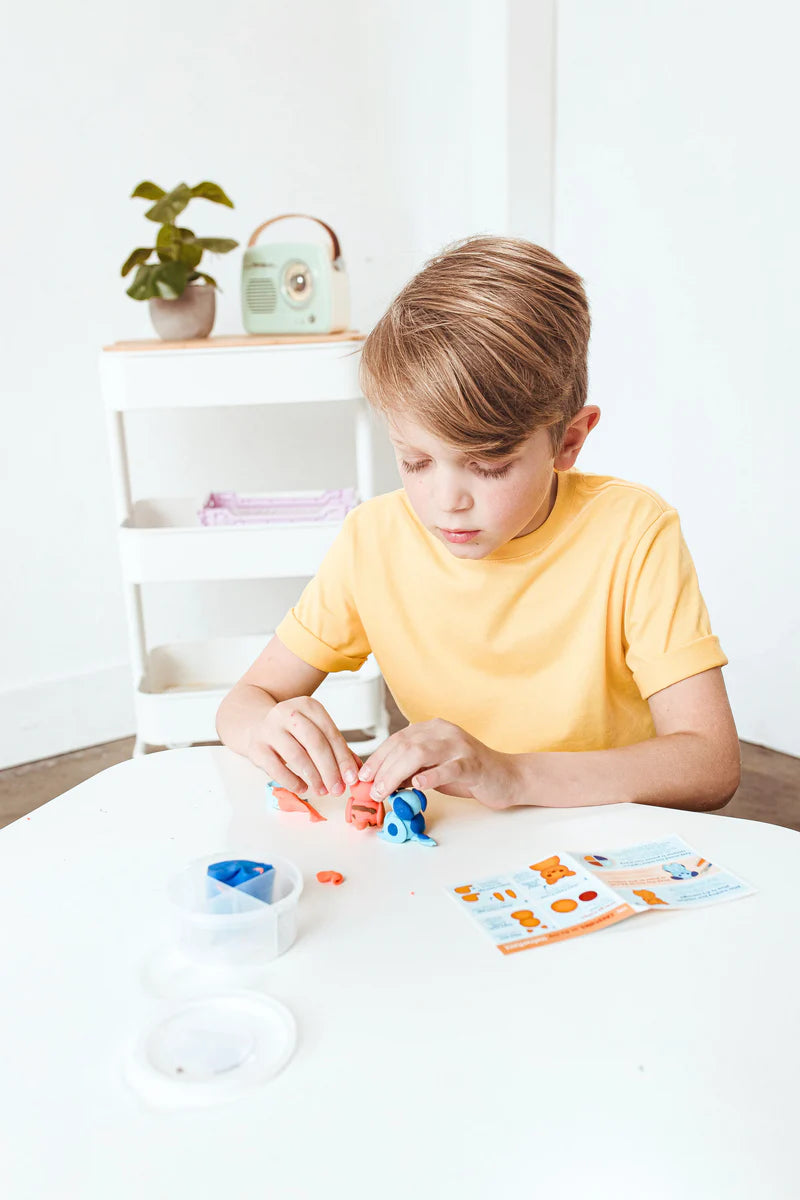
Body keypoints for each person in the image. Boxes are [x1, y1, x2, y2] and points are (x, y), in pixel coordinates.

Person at [216, 236, 740, 813]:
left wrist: (511, 776)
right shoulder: (374, 541)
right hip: (461, 846)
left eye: (488, 466)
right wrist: (267, 724)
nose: (446, 501)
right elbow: (244, 701)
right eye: (416, 462)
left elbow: (711, 764)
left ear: (568, 441)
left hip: (603, 839)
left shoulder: (633, 533)